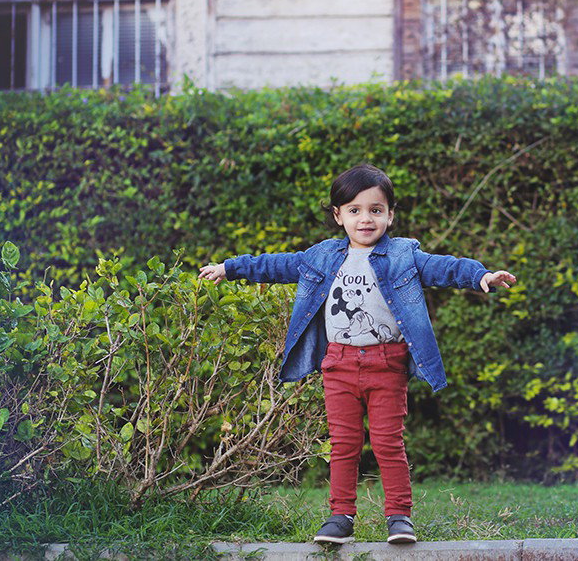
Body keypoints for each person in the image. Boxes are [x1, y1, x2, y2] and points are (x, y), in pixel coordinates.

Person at [198, 163, 516, 545]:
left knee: (387, 442)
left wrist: (479, 275)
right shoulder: (321, 257)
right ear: (338, 216)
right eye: (355, 210)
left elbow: (442, 267)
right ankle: (340, 517)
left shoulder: (404, 254)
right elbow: (275, 264)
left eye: (376, 210)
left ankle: (399, 516)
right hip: (340, 365)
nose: (366, 219)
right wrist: (230, 268)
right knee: (344, 444)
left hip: (387, 366)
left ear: (390, 215)